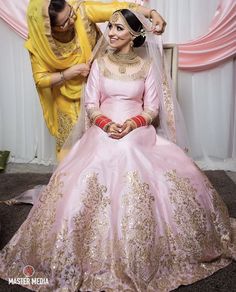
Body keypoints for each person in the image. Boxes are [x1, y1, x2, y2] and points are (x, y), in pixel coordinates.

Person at [0, 8, 235, 292]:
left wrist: (132, 124)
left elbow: (152, 108)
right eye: (110, 27)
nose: (110, 32)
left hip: (137, 130)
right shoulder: (99, 64)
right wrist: (106, 124)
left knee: (130, 151)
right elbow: (91, 104)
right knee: (102, 154)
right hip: (103, 127)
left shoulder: (147, 67)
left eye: (119, 29)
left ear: (135, 35)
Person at [26, 0, 167, 156]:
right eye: (65, 22)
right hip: (67, 95)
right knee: (72, 151)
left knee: (126, 148)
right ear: (49, 29)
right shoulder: (39, 43)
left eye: (71, 12)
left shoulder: (82, 12)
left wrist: (151, 13)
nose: (73, 19)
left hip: (105, 84)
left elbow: (116, 10)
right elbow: (40, 80)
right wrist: (68, 73)